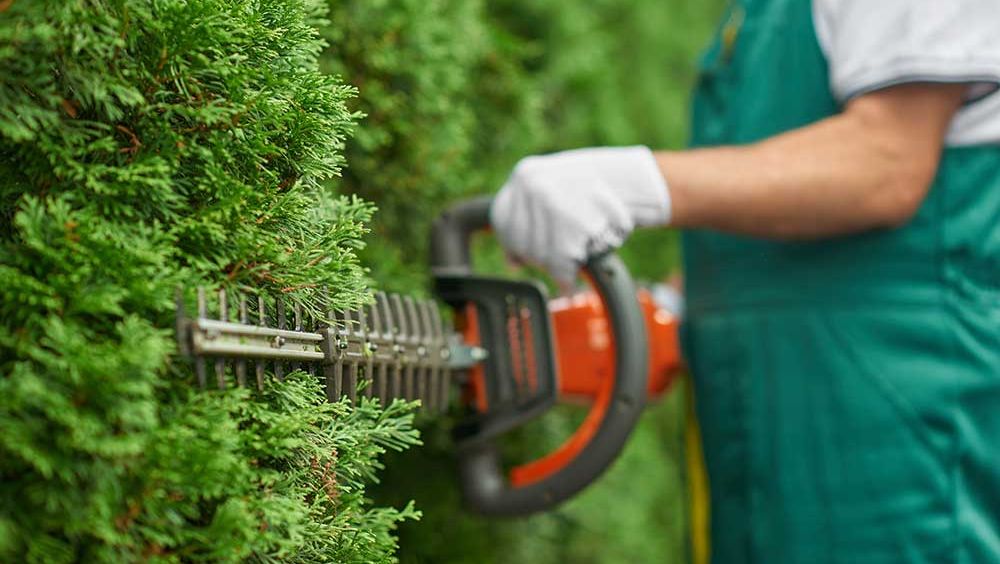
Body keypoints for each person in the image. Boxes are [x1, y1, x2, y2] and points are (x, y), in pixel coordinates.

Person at [489, 0, 1000, 562]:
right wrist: (669, 309)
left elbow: (889, 160)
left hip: (892, 420)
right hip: (767, 421)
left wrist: (634, 182)